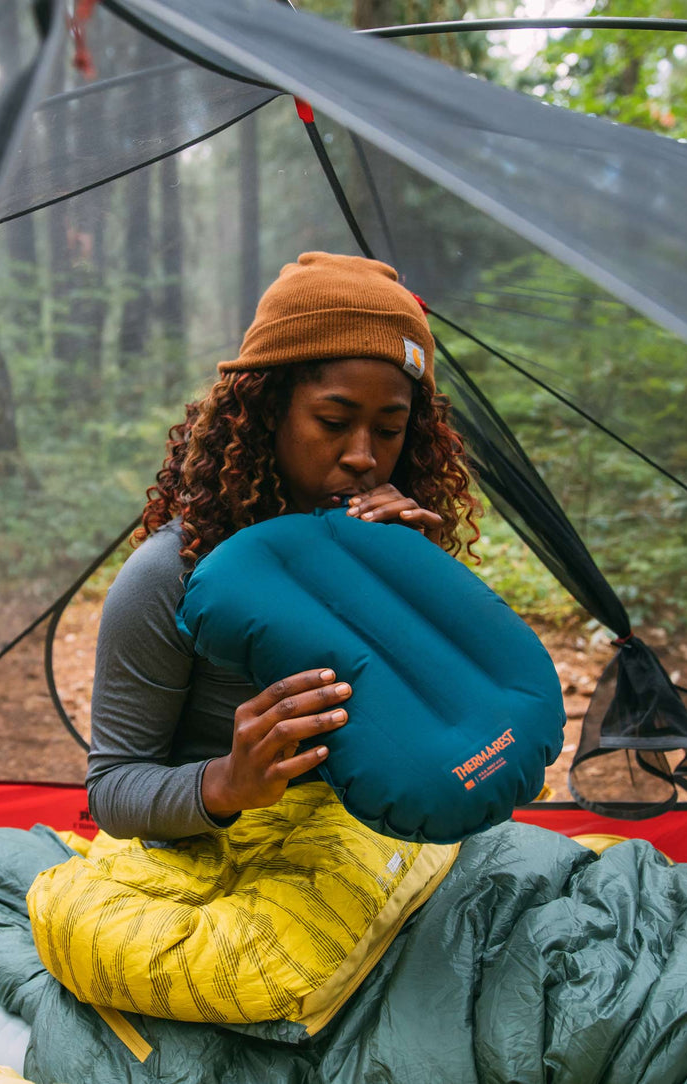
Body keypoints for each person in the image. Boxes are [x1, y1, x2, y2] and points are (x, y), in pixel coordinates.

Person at [85, 252, 482, 840]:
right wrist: (225, 782)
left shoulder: (397, 549)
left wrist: (423, 592)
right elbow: (112, 789)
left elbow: (451, 731)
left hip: (383, 848)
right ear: (265, 414)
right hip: (226, 863)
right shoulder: (171, 574)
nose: (363, 455)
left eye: (390, 429)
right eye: (333, 420)